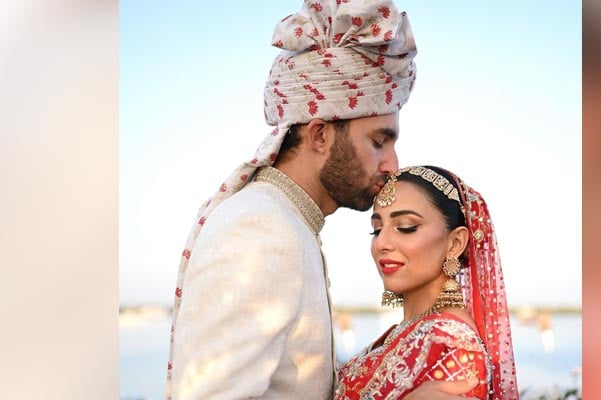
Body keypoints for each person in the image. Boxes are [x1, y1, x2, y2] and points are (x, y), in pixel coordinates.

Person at [165, 1, 476, 399]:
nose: (392, 164)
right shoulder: (262, 230)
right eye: (378, 141)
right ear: (319, 135)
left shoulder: (292, 222)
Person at [334, 165, 520, 400]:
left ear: (455, 243)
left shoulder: (453, 345)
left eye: (406, 227)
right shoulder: (408, 330)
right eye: (377, 229)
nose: (382, 243)